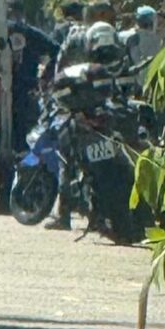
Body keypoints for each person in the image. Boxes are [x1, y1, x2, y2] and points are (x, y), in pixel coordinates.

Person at [46, 21, 127, 230]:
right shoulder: (114, 63)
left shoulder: (93, 66)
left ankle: (63, 214)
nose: (104, 54)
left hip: (100, 123)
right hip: (102, 122)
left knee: (66, 159)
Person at [0, 0, 60, 212]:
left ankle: (13, 196)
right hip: (19, 94)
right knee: (17, 145)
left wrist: (45, 77)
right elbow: (56, 51)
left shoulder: (3, 31)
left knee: (14, 145)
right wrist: (46, 77)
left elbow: (56, 51)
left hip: (12, 95)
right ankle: (14, 196)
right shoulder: (29, 33)